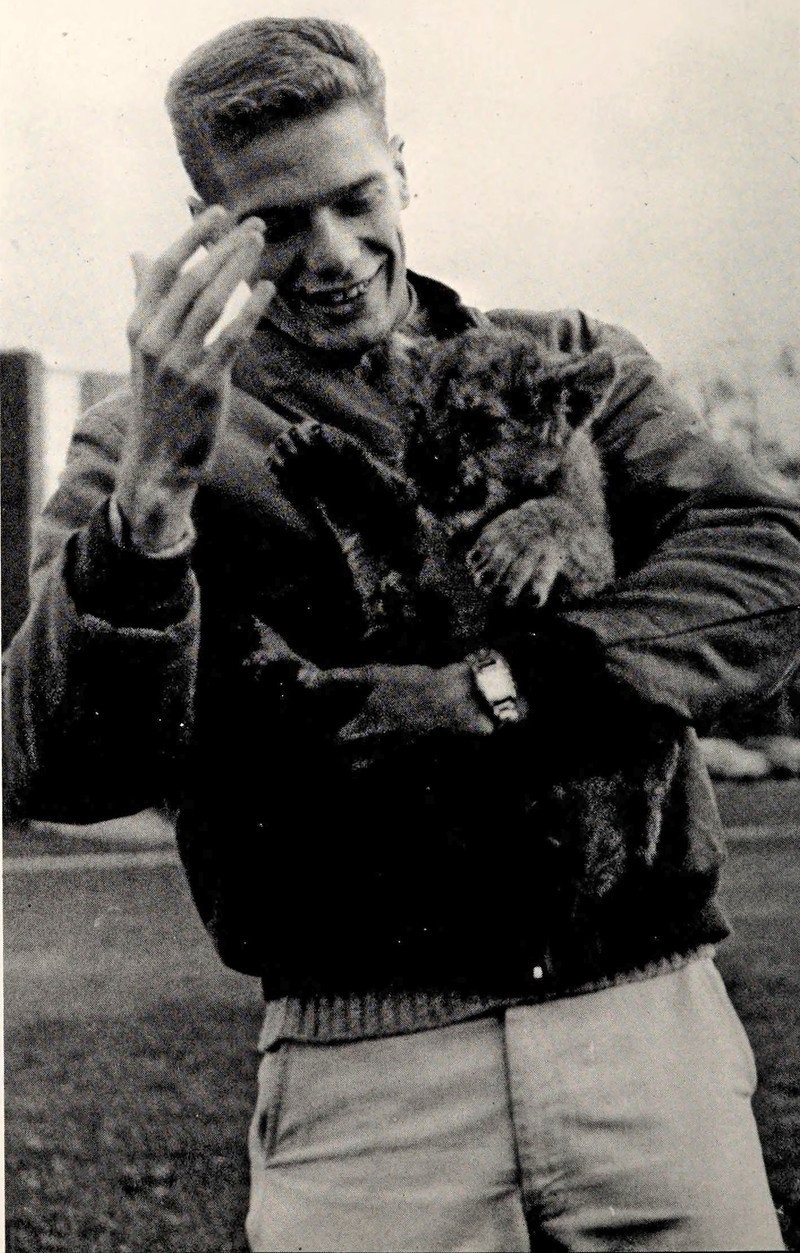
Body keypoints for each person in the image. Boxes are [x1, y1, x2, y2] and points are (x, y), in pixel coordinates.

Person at [4, 17, 799, 1252]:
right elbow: (55, 762)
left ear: (401, 170)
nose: (331, 254)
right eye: (276, 222)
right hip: (368, 1076)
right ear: (207, 224)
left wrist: (503, 687)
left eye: (355, 197)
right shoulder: (141, 437)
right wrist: (151, 503)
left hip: (643, 1036)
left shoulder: (566, 360)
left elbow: (768, 567)